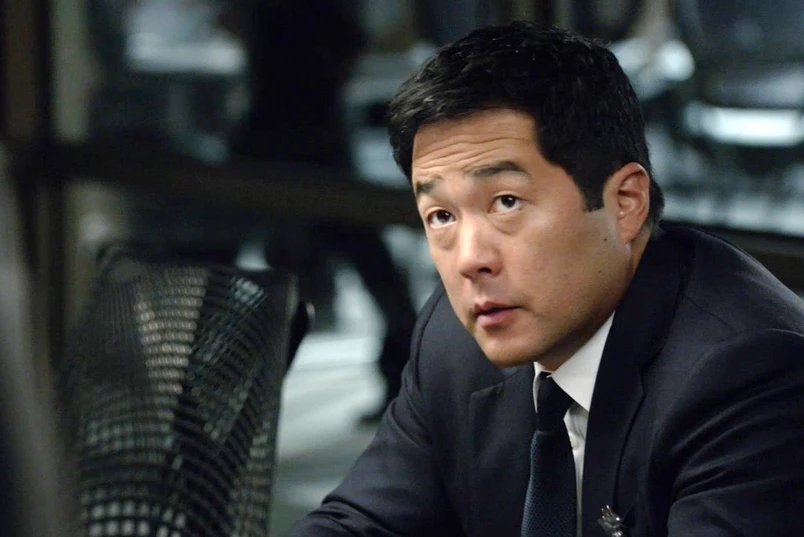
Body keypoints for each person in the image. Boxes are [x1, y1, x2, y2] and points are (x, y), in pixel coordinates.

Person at [286, 21, 804, 537]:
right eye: (441, 216)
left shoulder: (748, 372)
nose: (469, 260)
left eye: (506, 202)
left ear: (625, 203)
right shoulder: (454, 341)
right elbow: (361, 522)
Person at [228, 0, 418, 422]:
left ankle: (407, 379)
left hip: (298, 129)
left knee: (365, 260)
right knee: (366, 261)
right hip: (297, 129)